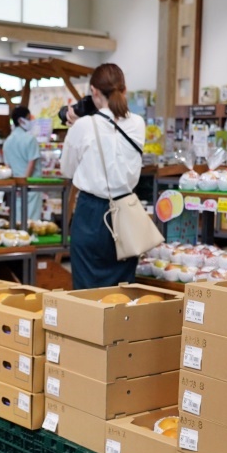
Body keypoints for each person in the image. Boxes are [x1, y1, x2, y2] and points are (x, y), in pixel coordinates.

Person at [61, 63, 146, 289]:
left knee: (87, 291)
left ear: (93, 91)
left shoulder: (84, 126)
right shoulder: (138, 123)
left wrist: (76, 127)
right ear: (124, 90)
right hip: (127, 212)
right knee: (122, 289)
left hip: (91, 213)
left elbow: (67, 170)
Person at [3, 105, 43, 224]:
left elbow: (7, 167)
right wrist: (24, 181)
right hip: (30, 185)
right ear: (21, 120)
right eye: (28, 118)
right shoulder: (30, 139)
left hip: (15, 186)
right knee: (32, 221)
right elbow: (31, 163)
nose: (31, 121)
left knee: (18, 219)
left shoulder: (8, 141)